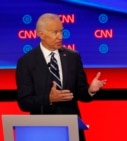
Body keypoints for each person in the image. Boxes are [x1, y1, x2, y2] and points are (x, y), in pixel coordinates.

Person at [16, 13, 107, 141]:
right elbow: (24, 102)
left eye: (61, 32)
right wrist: (49, 98)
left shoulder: (73, 57)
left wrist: (90, 90)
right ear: (41, 34)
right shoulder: (26, 62)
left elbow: (80, 93)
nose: (60, 36)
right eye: (55, 32)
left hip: (71, 130)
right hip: (42, 130)